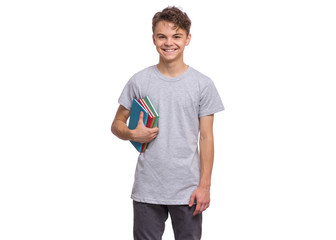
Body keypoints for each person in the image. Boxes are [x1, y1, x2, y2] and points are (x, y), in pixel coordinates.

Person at [111, 6, 224, 240]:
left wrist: (205, 186)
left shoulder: (203, 85)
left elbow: (207, 138)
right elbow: (116, 124)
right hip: (147, 189)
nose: (169, 43)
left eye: (176, 36)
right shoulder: (139, 80)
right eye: (162, 36)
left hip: (188, 191)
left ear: (188, 39)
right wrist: (134, 134)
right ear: (153, 39)